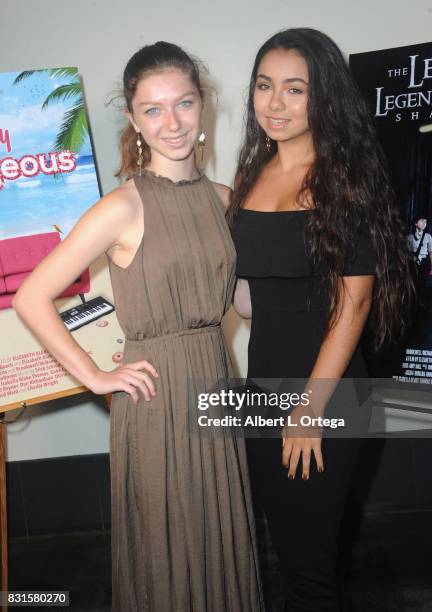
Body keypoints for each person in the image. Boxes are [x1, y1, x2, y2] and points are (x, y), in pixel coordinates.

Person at [14, 42, 264, 612]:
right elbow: (31, 296)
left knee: (221, 531)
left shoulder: (228, 201)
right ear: (132, 118)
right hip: (157, 395)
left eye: (183, 103)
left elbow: (243, 304)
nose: (171, 122)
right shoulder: (121, 207)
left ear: (204, 107)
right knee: (169, 544)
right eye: (153, 109)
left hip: (218, 379)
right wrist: (95, 376)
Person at [228, 28, 412, 611]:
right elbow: (249, 298)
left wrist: (309, 408)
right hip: (264, 391)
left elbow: (353, 305)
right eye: (264, 86)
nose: (274, 103)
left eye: (294, 89)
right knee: (287, 550)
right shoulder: (250, 177)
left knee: (309, 568)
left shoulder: (344, 180)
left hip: (325, 394)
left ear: (324, 97)